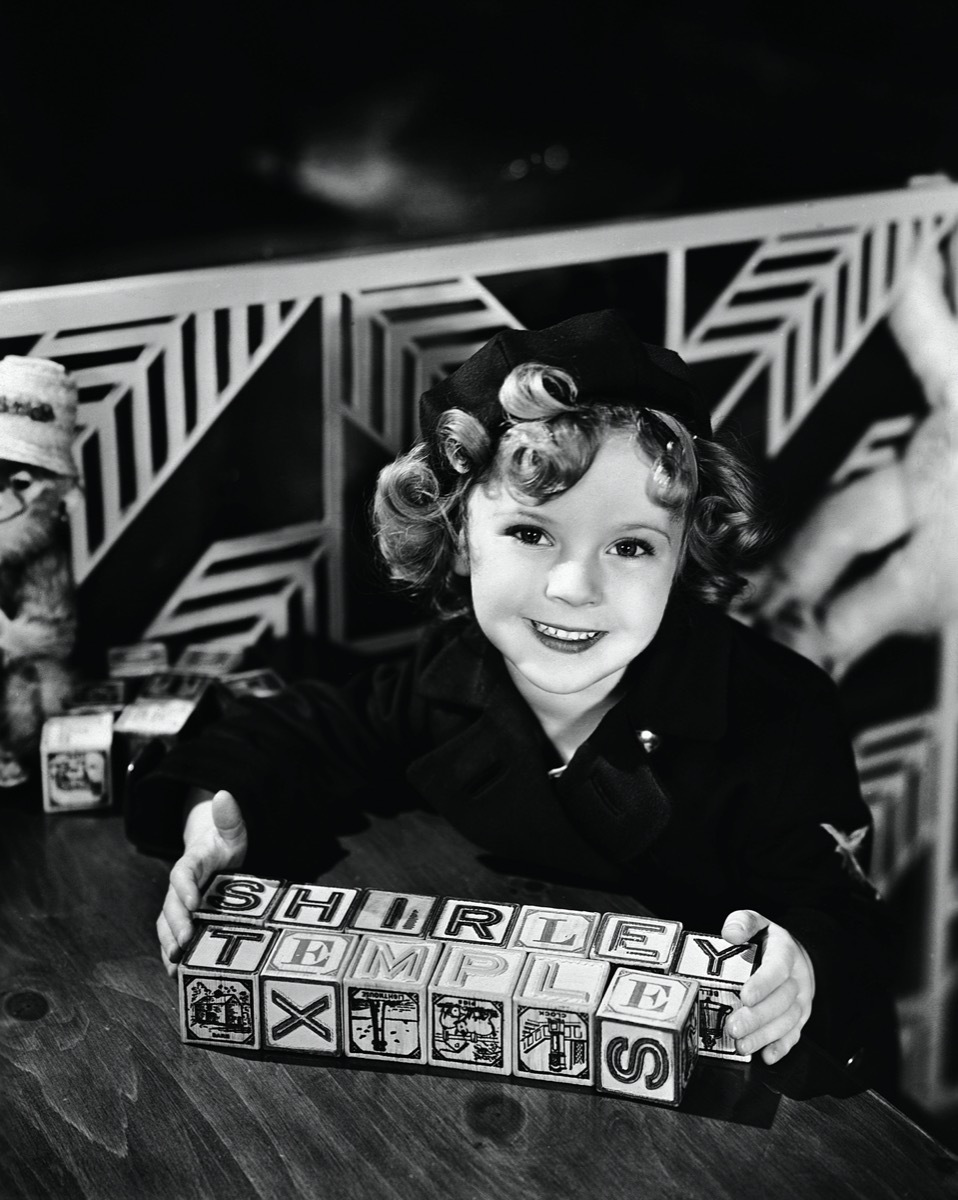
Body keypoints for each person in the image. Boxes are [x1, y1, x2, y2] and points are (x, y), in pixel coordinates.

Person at [127, 309, 896, 1086]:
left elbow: (847, 931)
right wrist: (212, 815)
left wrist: (800, 974)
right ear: (460, 535)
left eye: (629, 546)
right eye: (532, 534)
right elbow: (320, 729)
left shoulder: (781, 717)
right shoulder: (451, 672)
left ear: (683, 552)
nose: (573, 589)